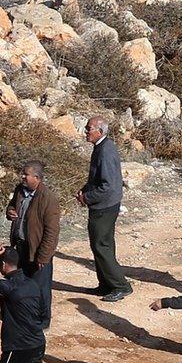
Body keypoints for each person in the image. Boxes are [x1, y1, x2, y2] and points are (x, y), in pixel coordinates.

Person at [77, 116, 131, 302]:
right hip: (105, 204)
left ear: (100, 131)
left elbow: (107, 186)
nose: (86, 131)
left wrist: (87, 197)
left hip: (104, 207)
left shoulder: (105, 151)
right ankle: (106, 284)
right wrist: (85, 190)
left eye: (89, 128)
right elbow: (96, 178)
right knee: (103, 245)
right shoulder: (101, 147)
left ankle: (121, 286)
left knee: (101, 246)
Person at [6, 160, 60, 327]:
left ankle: (43, 322)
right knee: (22, 284)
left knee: (40, 288)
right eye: (22, 173)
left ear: (37, 177)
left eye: (26, 174)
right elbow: (11, 206)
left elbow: (52, 231)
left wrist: (43, 256)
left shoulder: (48, 198)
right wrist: (10, 212)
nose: (22, 177)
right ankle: (24, 315)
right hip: (21, 246)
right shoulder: (20, 190)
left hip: (38, 251)